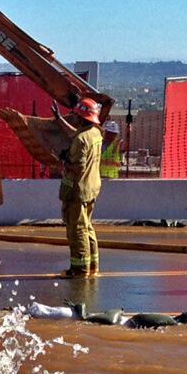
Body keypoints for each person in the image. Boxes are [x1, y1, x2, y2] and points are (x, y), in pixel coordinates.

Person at [58, 98, 103, 278]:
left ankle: (79, 269)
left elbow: (78, 167)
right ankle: (93, 267)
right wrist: (59, 119)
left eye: (75, 115)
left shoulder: (80, 139)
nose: (73, 119)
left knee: (77, 230)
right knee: (88, 227)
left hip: (78, 190)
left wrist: (64, 160)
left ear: (80, 117)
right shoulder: (95, 134)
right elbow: (76, 134)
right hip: (92, 187)